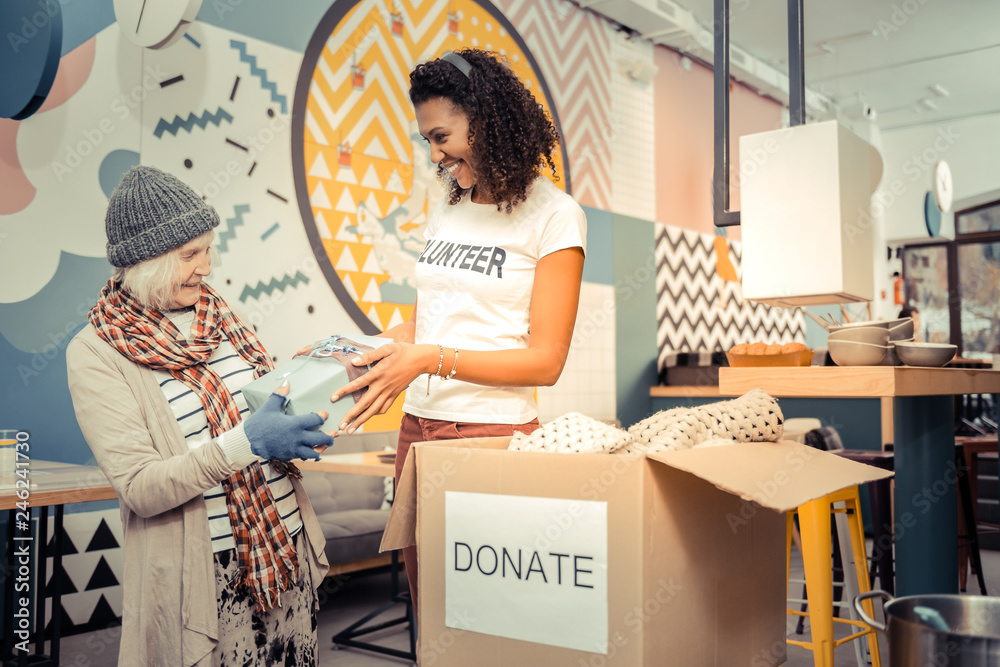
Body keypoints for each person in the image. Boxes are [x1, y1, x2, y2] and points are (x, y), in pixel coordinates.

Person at [325, 49, 587, 617]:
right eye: (428, 141)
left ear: (487, 118)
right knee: (432, 613)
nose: (436, 155)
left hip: (489, 432)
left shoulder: (554, 215)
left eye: (442, 136)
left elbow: (544, 361)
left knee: (487, 614)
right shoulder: (449, 208)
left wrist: (425, 359)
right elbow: (429, 321)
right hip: (417, 428)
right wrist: (359, 351)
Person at [66, 166, 334, 666]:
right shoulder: (96, 352)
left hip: (284, 544)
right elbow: (142, 488)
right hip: (206, 573)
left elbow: (265, 406)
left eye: (208, 249)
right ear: (145, 261)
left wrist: (317, 398)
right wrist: (247, 444)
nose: (206, 268)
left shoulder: (222, 316)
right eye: (190, 255)